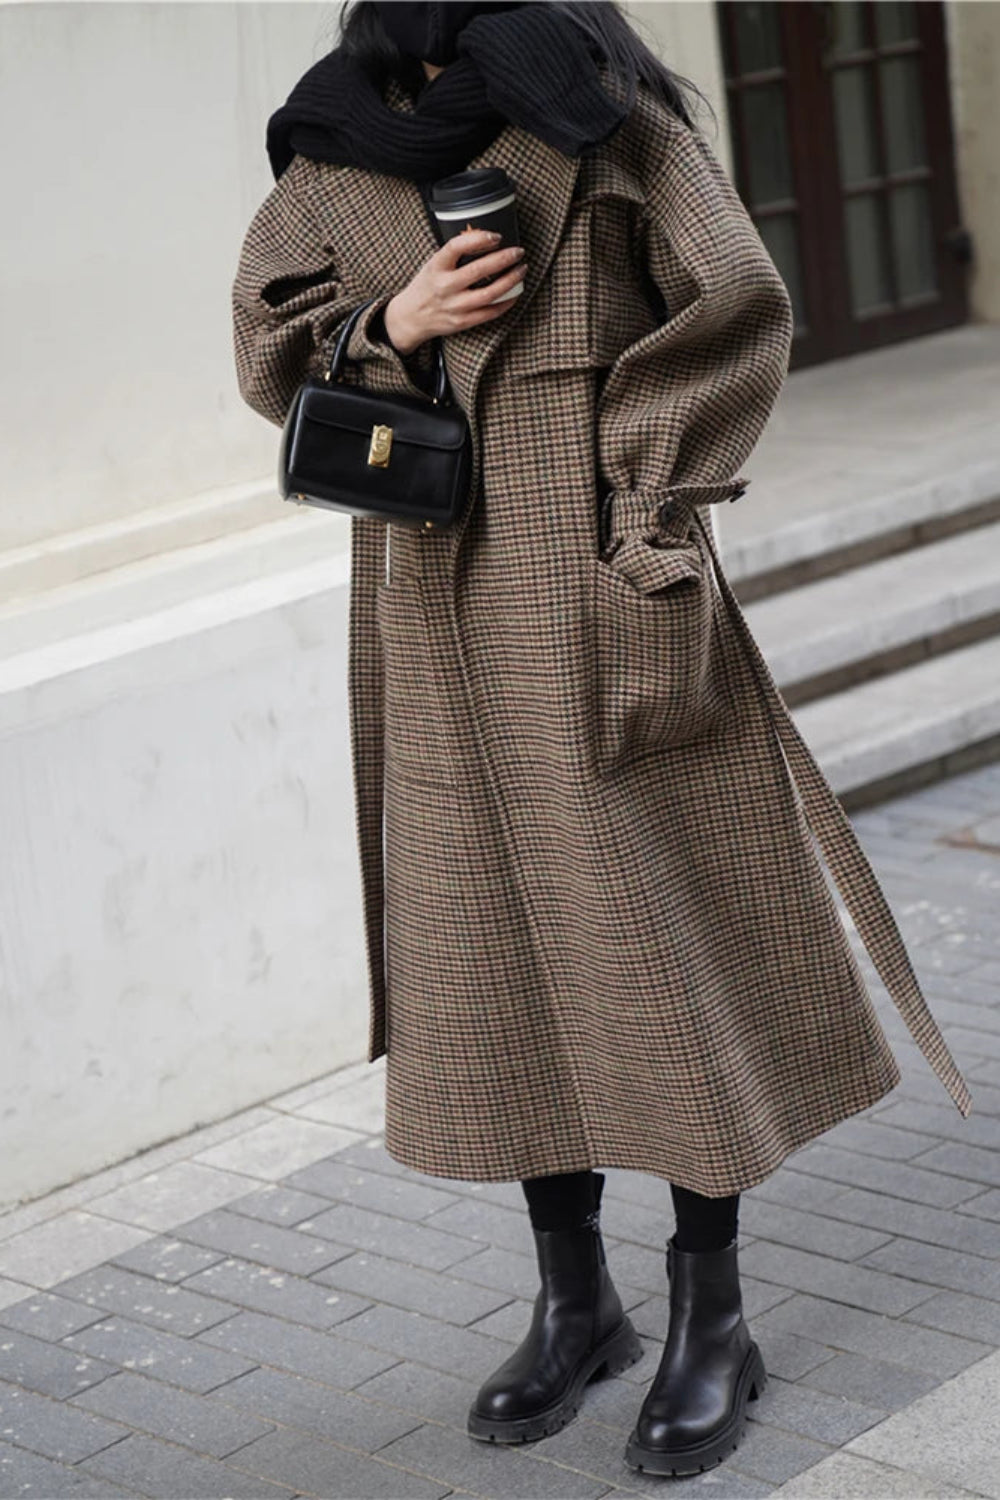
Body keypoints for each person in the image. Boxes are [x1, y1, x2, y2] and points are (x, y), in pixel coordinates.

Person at [232, 0, 971, 1477]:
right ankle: (578, 1308)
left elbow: (740, 303)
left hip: (605, 573)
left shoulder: (605, 119)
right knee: (494, 955)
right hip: (430, 600)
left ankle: (717, 1320)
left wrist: (645, 511)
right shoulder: (333, 139)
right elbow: (269, 347)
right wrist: (395, 326)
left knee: (658, 944)